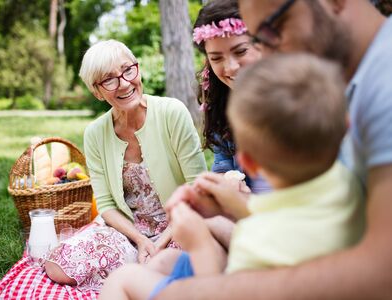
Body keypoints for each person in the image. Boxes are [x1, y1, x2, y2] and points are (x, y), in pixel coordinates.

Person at [157, 0, 392, 299]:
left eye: (272, 29)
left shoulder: (384, 83)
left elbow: (383, 274)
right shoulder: (354, 82)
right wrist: (239, 206)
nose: (265, 55)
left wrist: (199, 291)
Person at [99, 53, 365, 300]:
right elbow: (274, 213)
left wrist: (198, 241)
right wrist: (229, 203)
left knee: (123, 278)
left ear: (248, 161)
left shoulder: (259, 242)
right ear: (346, 126)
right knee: (164, 261)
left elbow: (219, 290)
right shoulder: (346, 190)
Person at [43, 39, 207, 292]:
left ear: (137, 69)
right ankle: (137, 271)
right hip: (129, 233)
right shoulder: (95, 133)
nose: (124, 83)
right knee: (57, 265)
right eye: (109, 79)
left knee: (166, 265)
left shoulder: (172, 112)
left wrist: (159, 243)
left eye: (128, 70)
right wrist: (141, 241)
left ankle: (137, 275)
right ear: (97, 92)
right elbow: (106, 206)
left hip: (179, 225)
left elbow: (199, 189)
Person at [192, 0, 270, 193]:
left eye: (241, 51)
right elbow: (223, 164)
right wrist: (220, 183)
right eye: (216, 58)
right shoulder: (222, 105)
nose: (231, 67)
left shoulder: (298, 99)